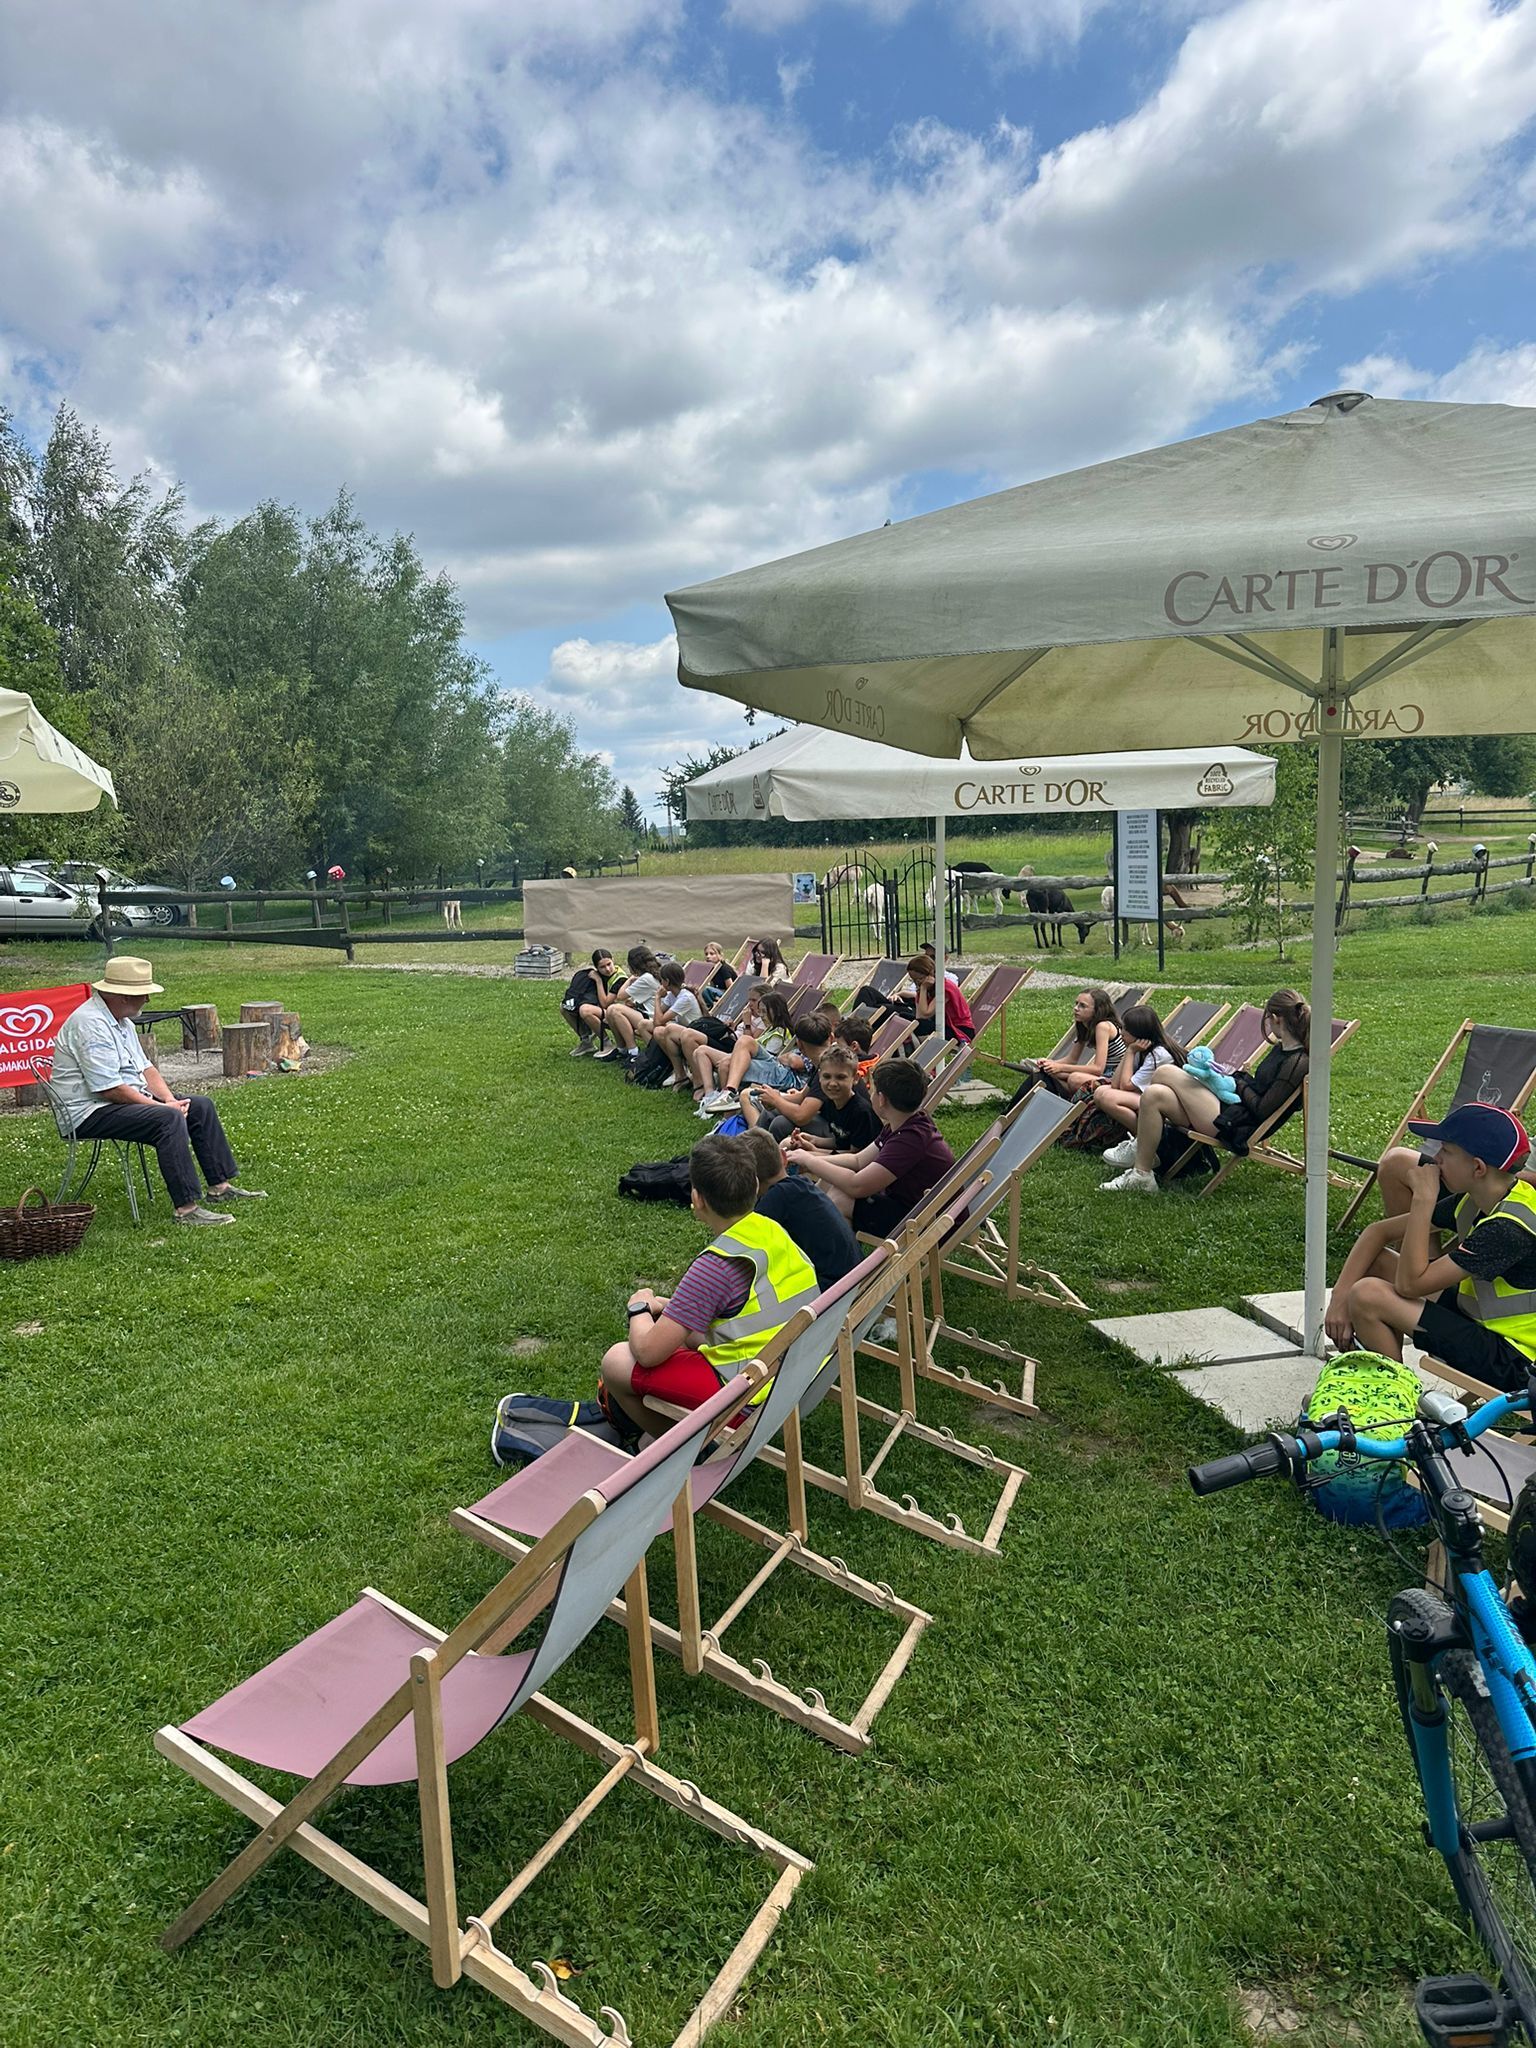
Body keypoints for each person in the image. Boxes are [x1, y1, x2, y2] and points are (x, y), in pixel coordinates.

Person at [597, 1135, 819, 1437]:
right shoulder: (771, 1230)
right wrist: (669, 1307)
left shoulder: (716, 1266)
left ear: (697, 1198)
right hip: (795, 1377)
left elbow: (648, 1352)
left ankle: (678, 1449)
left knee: (617, 1361)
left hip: (749, 1399)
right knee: (685, 1336)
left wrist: (639, 1306)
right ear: (755, 1185)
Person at [1325, 1104, 1536, 1391]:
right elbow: (1377, 1232)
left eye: (1446, 1151)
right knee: (1376, 1263)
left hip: (1516, 1361)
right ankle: (1379, 1381)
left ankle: (1393, 1398)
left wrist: (1423, 1200)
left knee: (1367, 1295)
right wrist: (1338, 1298)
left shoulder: (1507, 1229)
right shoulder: (1481, 1197)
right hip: (1480, 1321)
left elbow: (1410, 1285)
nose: (1435, 1160)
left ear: (1477, 1168)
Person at [48, 956, 265, 1227]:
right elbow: (108, 1089)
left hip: (114, 1103)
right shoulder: (90, 1024)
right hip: (87, 1112)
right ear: (123, 996)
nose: (148, 1000)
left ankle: (220, 1187)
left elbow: (146, 1068)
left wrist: (170, 1099)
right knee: (168, 1119)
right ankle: (186, 1209)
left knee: (199, 1106)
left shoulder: (121, 1021)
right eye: (143, 994)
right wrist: (163, 1108)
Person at [1101, 989, 1310, 1196]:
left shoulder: (1298, 1062)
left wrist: (1239, 1083)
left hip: (1236, 1124)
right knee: (1154, 1094)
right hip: (1231, 1108)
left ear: (1275, 1018)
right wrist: (1237, 1081)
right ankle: (1142, 1174)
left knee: (1165, 1072)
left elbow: (1262, 1110)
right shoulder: (1281, 1049)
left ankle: (1143, 1147)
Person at [793, 1056, 954, 1237]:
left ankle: (839, 1252)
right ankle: (802, 1225)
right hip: (916, 1207)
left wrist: (810, 1161)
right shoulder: (903, 1124)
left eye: (873, 1090)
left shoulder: (909, 1140)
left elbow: (857, 1186)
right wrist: (808, 1157)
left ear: (881, 1099)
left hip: (929, 1223)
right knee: (833, 1179)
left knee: (841, 1199)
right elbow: (857, 1160)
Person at [740, 1128, 861, 1293]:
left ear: (749, 1181)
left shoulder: (774, 1200)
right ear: (784, 1158)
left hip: (834, 1292)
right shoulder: (800, 1184)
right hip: (856, 1277)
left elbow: (746, 1249)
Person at [1093, 1004, 1186, 1140]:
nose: (1121, 1033)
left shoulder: (1159, 1054)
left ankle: (1148, 1141)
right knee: (1100, 1092)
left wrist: (1130, 1052)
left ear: (1139, 1033)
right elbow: (1115, 1084)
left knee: (1109, 1098)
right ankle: (1141, 1138)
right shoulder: (1141, 1049)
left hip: (1172, 1105)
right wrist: (1129, 1052)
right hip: (1153, 1098)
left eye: (1126, 1029)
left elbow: (1125, 1086)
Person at [697, 987, 797, 1113]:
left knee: (726, 1063)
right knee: (701, 1051)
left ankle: (727, 1103)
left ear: (776, 1011)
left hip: (771, 1068)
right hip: (751, 1058)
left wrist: (747, 1024)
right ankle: (711, 1096)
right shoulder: (770, 1029)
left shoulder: (780, 1032)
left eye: (764, 1012)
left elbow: (766, 1056)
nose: (762, 1015)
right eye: (760, 1012)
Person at [781, 1043, 882, 1153]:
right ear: (819, 1077)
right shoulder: (831, 1102)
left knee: (795, 1154)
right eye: (827, 1076)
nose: (832, 1083)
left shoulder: (861, 1112)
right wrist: (813, 1140)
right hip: (845, 1155)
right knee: (787, 1144)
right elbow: (841, 1142)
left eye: (841, 1077)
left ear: (855, 1078)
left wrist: (814, 1151)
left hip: (863, 1159)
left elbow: (855, 1155)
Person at [743, 1014, 834, 1136]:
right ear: (831, 1038)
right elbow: (802, 1097)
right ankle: (752, 1142)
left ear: (799, 1045)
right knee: (770, 1112)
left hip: (836, 1130)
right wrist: (773, 1097)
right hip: (826, 1120)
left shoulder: (828, 1071)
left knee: (781, 1124)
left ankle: (760, 1145)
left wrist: (776, 1101)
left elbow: (801, 1117)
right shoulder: (823, 1062)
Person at [1027, 989, 1124, 1098]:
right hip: (1103, 1074)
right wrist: (1050, 1063)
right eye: (1076, 1003)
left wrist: (1060, 1067)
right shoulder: (1084, 1024)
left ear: (1097, 1010)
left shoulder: (1103, 1026)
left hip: (1115, 1078)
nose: (1076, 1008)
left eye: (1082, 1006)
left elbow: (1098, 1069)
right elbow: (1071, 1059)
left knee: (1074, 1078)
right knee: (1050, 1072)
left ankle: (1070, 1100)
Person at [593, 946, 663, 1062]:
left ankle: (633, 1052)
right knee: (611, 1011)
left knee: (614, 1009)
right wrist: (634, 1004)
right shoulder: (651, 975)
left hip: (653, 1019)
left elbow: (620, 996)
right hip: (651, 1015)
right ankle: (621, 1049)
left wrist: (629, 980)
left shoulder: (646, 978)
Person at [649, 961, 704, 1085]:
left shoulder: (685, 998)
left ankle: (681, 1072)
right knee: (650, 1028)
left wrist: (657, 998)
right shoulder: (672, 995)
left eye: (662, 980)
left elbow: (658, 1021)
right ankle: (673, 1069)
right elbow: (657, 1019)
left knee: (664, 1029)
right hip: (683, 1030)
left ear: (667, 981)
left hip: (694, 1034)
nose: (661, 984)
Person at [561, 947, 620, 1055]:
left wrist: (598, 981)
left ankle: (606, 1043)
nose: (607, 969)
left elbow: (605, 1004)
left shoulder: (619, 978)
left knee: (585, 1010)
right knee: (564, 1007)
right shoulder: (593, 976)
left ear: (613, 960)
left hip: (619, 1014)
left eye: (609, 964)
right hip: (606, 1011)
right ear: (596, 967)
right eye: (602, 967)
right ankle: (586, 1042)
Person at [908, 953, 974, 1043]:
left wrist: (923, 988)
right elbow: (919, 1016)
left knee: (919, 1026)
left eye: (920, 978)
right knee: (905, 1017)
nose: (917, 982)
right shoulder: (928, 988)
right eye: (914, 980)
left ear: (930, 975)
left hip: (959, 1029)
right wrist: (921, 991)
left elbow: (925, 1014)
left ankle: (921, 1047)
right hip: (943, 1024)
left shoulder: (945, 988)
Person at [698, 940, 738, 1010]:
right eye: (706, 954)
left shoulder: (724, 968)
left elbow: (731, 988)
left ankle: (711, 1008)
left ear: (720, 955)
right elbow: (712, 984)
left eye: (712, 954)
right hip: (718, 991)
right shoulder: (712, 968)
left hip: (729, 994)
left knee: (705, 990)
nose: (708, 956)